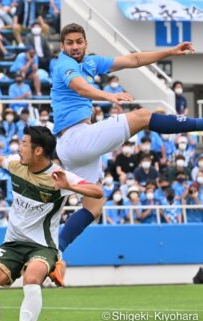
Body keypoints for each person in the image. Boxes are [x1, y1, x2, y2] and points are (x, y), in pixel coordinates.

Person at [51, 23, 201, 282]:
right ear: (63, 46)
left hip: (77, 147)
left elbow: (134, 59)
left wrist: (170, 51)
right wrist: (109, 96)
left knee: (94, 207)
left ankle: (55, 255)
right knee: (143, 116)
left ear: (86, 43)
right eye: (69, 43)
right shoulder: (64, 64)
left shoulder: (91, 62)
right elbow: (80, 88)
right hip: (76, 139)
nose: (74, 47)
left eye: (78, 42)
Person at [0, 126, 103, 321]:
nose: (19, 147)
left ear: (38, 150)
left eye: (24, 143)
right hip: (13, 243)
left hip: (43, 246)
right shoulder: (16, 164)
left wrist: (71, 186)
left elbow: (97, 191)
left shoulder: (58, 176)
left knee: (31, 278)